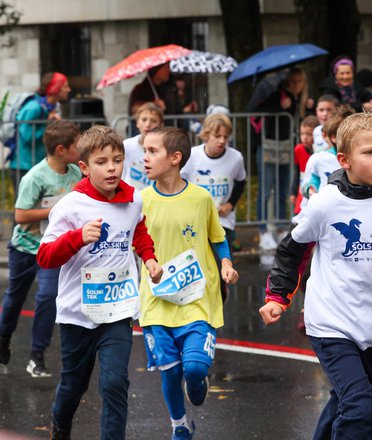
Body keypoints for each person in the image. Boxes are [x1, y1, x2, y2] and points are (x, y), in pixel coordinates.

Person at [259, 112, 372, 440]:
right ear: (344, 160)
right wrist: (278, 296)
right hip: (332, 322)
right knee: (360, 409)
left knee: (343, 402)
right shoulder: (326, 203)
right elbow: (292, 250)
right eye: (370, 153)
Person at [36, 125, 163, 440]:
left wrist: (149, 258)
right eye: (102, 162)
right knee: (73, 386)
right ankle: (61, 425)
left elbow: (139, 231)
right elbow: (45, 257)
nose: (111, 168)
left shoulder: (133, 200)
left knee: (115, 384)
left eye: (117, 160)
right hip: (77, 313)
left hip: (117, 309)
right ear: (84, 167)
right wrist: (77, 238)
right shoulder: (71, 206)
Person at [139, 126, 239, 440]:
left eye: (152, 151)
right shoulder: (140, 201)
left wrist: (226, 263)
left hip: (198, 296)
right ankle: (179, 425)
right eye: (144, 151)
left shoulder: (200, 198)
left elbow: (217, 239)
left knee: (193, 368)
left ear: (175, 158)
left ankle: (197, 382)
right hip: (157, 299)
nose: (145, 157)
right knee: (169, 371)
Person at [0, 121, 82, 378]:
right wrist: (56, 211)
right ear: (61, 149)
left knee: (47, 296)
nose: (81, 150)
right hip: (25, 248)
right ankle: (2, 342)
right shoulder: (35, 177)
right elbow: (21, 215)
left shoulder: (75, 173)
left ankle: (36, 356)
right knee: (14, 298)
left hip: (52, 248)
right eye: (76, 146)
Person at [248, 68, 308, 225]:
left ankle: (281, 226)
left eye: (300, 81)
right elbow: (254, 109)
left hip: (287, 147)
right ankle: (263, 230)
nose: (297, 85)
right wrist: (278, 106)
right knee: (265, 190)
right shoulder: (275, 94)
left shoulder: (300, 100)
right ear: (288, 81)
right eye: (294, 81)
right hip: (268, 145)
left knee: (283, 191)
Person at [181, 113, 246, 252]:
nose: (222, 141)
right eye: (217, 136)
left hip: (223, 221)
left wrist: (230, 204)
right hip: (195, 221)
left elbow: (241, 182)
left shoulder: (236, 158)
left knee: (223, 267)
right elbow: (179, 183)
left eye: (225, 137)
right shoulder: (192, 156)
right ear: (206, 135)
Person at [10, 72, 71, 191]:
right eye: (65, 86)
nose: (69, 89)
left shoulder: (52, 107)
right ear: (56, 88)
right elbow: (27, 136)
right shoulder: (33, 107)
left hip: (38, 164)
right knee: (25, 206)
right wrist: (48, 124)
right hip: (24, 166)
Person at [121, 102, 164, 191]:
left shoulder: (164, 148)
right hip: (129, 196)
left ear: (161, 125)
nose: (148, 124)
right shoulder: (127, 145)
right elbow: (122, 171)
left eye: (154, 121)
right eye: (144, 120)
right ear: (137, 123)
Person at [290, 115, 318, 217]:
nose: (304, 137)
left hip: (315, 189)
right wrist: (293, 192)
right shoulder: (298, 149)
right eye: (302, 134)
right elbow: (297, 172)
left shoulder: (320, 153)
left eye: (308, 134)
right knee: (297, 217)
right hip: (302, 190)